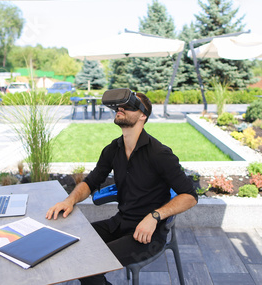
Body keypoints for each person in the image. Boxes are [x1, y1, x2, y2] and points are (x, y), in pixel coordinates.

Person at [46, 89, 198, 285]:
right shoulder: (112, 149)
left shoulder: (159, 154)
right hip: (119, 223)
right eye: (120, 106)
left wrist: (155, 216)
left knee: (89, 265)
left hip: (148, 235)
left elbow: (190, 196)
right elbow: (91, 181)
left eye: (129, 106)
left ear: (143, 115)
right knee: (71, 243)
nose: (120, 108)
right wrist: (70, 200)